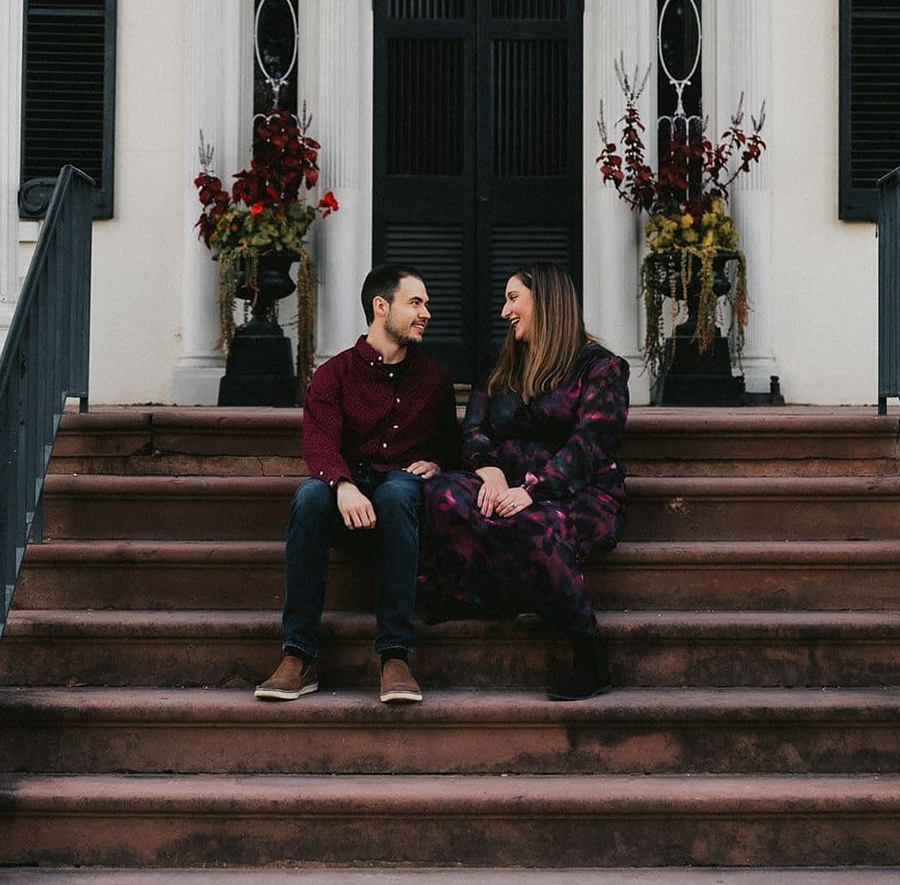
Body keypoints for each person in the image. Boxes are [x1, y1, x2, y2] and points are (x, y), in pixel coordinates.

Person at [420, 263, 629, 701]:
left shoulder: (601, 368)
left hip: (576, 493)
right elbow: (475, 431)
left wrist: (532, 491)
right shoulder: (502, 366)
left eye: (513, 298)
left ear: (546, 301)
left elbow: (589, 446)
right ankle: (503, 595)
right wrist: (491, 475)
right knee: (439, 493)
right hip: (505, 484)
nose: (504, 311)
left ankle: (589, 653)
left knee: (533, 526)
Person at [256, 263, 457, 706]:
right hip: (347, 494)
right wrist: (342, 484)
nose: (426, 313)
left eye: (426, 304)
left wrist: (438, 463)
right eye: (416, 303)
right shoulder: (333, 375)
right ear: (381, 307)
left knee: (398, 492)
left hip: (400, 498)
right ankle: (298, 654)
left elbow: (451, 447)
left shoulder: (436, 380)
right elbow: (319, 444)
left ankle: (396, 655)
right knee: (310, 496)